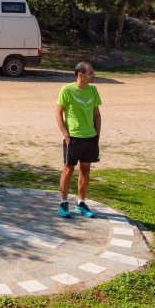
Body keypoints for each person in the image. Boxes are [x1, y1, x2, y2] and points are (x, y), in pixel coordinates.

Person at [55, 61, 101, 218]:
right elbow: (58, 113)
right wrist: (65, 134)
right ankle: (63, 202)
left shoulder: (93, 90)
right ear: (80, 75)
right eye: (91, 73)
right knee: (68, 170)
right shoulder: (66, 90)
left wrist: (97, 135)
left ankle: (81, 203)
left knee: (85, 170)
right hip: (73, 138)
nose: (93, 75)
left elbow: (97, 114)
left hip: (90, 137)